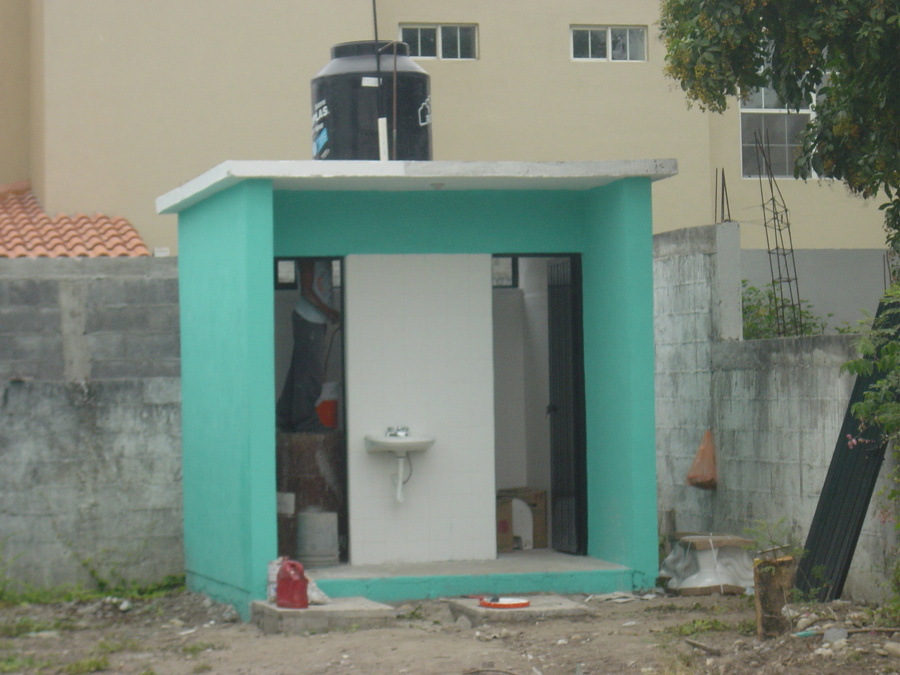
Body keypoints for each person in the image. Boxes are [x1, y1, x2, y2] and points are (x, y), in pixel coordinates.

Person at [276, 259, 340, 432]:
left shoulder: (321, 256)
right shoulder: (309, 258)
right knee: (310, 374)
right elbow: (306, 291)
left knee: (298, 373)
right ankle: (306, 422)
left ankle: (284, 418)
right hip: (309, 320)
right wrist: (329, 311)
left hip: (313, 320)